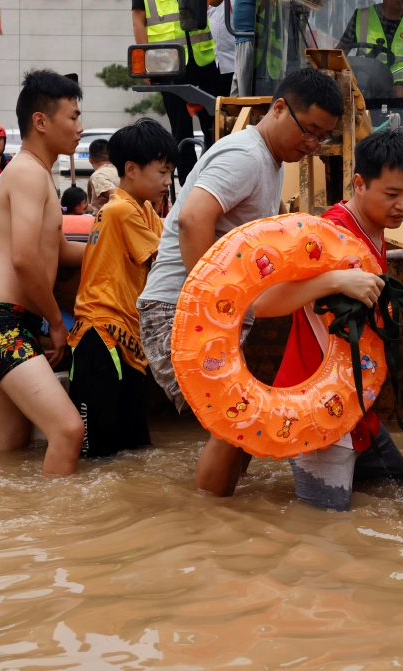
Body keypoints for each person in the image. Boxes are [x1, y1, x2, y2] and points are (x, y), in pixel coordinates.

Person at [136, 67, 345, 496]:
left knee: (245, 424)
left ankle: (232, 513)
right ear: (279, 108)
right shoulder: (246, 156)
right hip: (179, 312)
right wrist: (210, 310)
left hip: (206, 315)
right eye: (308, 131)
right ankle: (209, 522)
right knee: (235, 423)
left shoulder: (270, 161)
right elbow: (193, 219)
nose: (311, 145)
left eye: (322, 138)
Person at [266, 130, 403, 509]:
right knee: (323, 524)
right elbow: (264, 303)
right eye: (392, 194)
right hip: (316, 405)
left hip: (355, 404)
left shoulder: (375, 227)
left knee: (398, 484)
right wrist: (334, 280)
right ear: (359, 184)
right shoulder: (325, 235)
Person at [0, 70, 87, 477]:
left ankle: (16, 518)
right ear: (41, 121)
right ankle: (59, 517)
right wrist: (55, 322)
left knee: (9, 456)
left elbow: (58, 250)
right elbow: (23, 258)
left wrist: (114, 248)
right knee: (69, 431)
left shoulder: (35, 173)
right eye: (73, 117)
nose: (80, 127)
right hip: (2, 324)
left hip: (0, 323)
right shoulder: (28, 173)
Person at [67, 119, 178, 458]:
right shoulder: (121, 210)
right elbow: (168, 257)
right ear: (131, 169)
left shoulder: (142, 209)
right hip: (101, 338)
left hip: (126, 339)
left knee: (134, 451)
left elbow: (172, 240)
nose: (167, 181)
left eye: (171, 173)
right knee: (96, 456)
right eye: (162, 172)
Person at [132, 0, 225, 182]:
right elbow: (139, 22)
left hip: (204, 63)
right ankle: (188, 186)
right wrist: (145, 63)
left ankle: (216, 179)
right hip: (169, 67)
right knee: (181, 131)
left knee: (215, 127)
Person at [86, 138, 118, 210]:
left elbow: (118, 198)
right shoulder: (122, 171)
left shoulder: (98, 177)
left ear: (90, 159)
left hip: (111, 216)